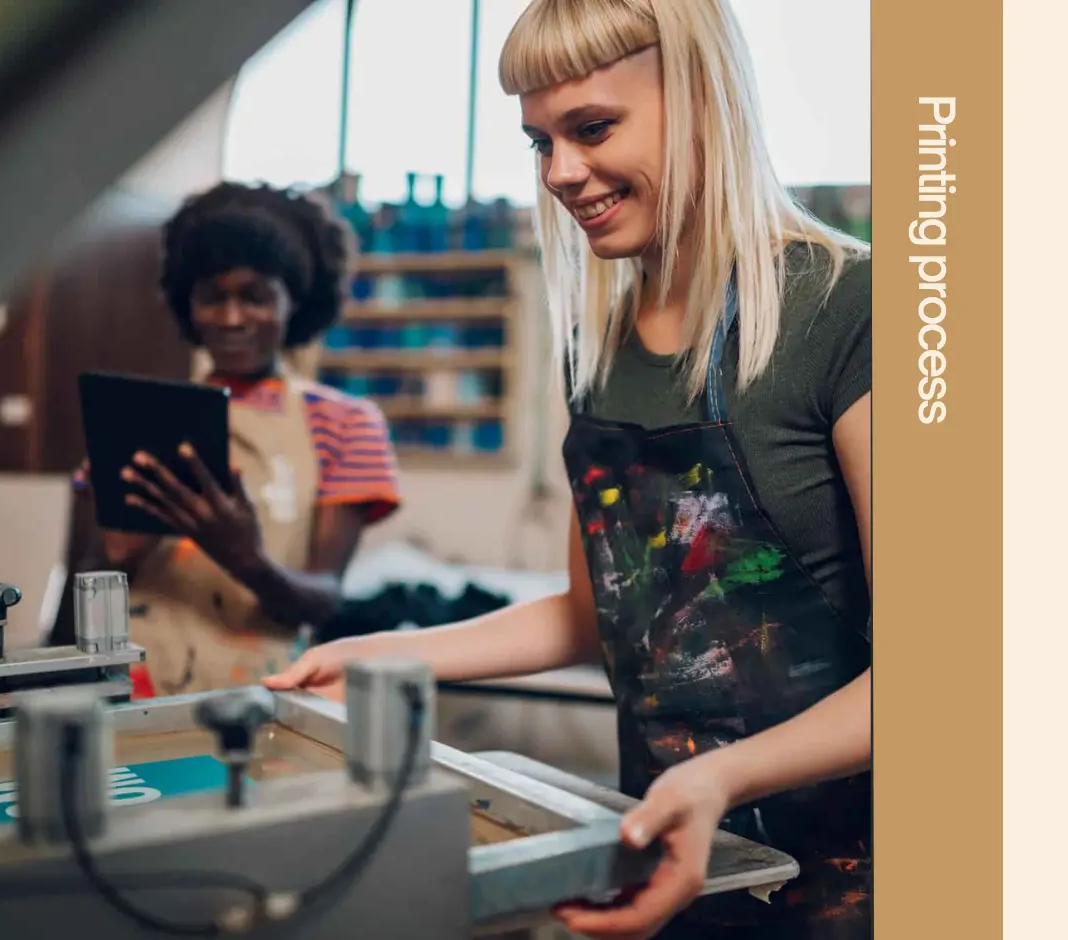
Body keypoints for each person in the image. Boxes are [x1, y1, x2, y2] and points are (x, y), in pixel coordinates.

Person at [265, 2, 873, 938]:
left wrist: (715, 776)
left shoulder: (853, 309)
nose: (561, 173)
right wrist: (376, 655)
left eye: (592, 129)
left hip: (859, 879)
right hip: (676, 864)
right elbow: (598, 616)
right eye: (538, 142)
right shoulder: (597, 348)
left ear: (705, 98)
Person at [46, 182, 403, 699]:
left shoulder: (346, 424)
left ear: (293, 301)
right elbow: (74, 599)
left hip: (265, 700)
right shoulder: (133, 420)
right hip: (129, 698)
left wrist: (245, 558)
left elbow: (323, 602)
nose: (232, 317)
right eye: (212, 297)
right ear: (187, 305)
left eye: (255, 296)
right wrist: (113, 557)